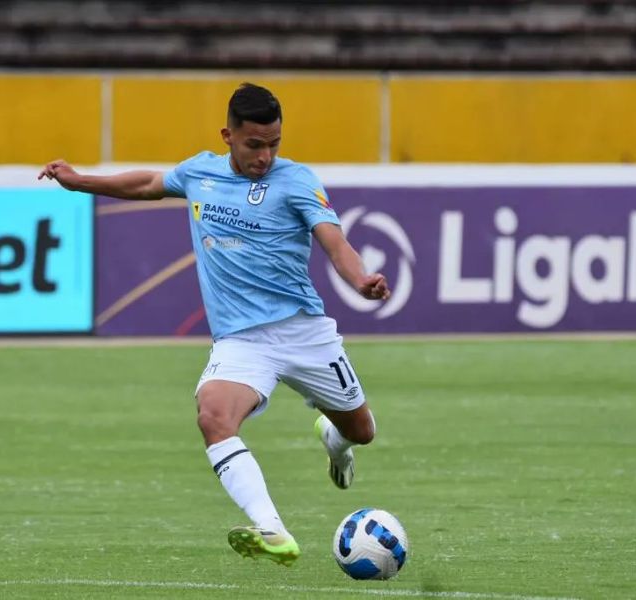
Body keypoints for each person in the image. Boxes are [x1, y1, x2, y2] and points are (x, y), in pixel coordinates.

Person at [39, 82, 390, 567]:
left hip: (303, 332)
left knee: (362, 430)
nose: (265, 155)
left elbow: (334, 241)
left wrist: (360, 280)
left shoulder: (296, 180)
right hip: (241, 340)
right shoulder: (200, 172)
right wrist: (81, 182)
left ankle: (334, 440)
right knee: (213, 417)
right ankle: (272, 529)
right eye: (254, 144)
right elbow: (146, 184)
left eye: (274, 144)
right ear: (228, 135)